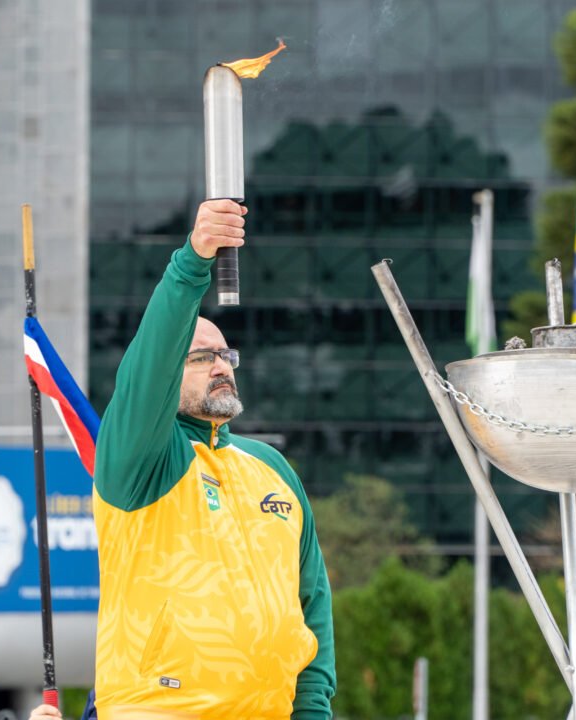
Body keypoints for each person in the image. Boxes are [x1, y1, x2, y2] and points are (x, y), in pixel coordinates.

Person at [89, 199, 336, 720]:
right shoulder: (143, 458)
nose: (220, 365)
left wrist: (312, 710)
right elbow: (149, 363)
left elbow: (309, 607)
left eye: (226, 354)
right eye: (201, 357)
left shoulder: (271, 467)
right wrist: (194, 260)